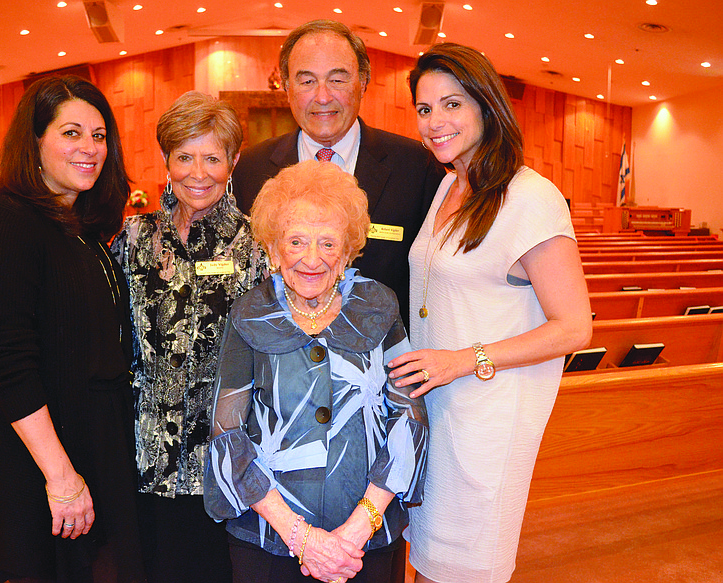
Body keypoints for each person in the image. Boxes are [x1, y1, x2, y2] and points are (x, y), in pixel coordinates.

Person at [387, 44, 593, 583]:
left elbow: (574, 326)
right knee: (429, 561)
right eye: (425, 109)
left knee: (469, 566)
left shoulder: (530, 197)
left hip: (488, 417)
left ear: (485, 104)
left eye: (451, 104)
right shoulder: (451, 183)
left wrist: (463, 359)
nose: (435, 123)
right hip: (438, 410)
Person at [0, 76, 145, 582]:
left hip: (78, 453)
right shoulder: (4, 224)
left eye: (99, 136)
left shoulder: (78, 227)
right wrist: (60, 477)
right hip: (26, 475)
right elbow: (7, 363)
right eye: (71, 132)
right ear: (34, 141)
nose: (89, 148)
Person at [204, 160, 429, 583]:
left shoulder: (377, 307)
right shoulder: (250, 314)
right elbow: (227, 435)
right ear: (272, 250)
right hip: (269, 538)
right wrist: (303, 538)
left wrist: (358, 528)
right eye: (296, 241)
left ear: (346, 253)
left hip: (365, 541)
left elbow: (409, 420)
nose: (312, 259)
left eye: (328, 244)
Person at [110, 91, 267, 583]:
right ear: (166, 160)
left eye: (212, 157)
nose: (198, 172)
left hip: (222, 464)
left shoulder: (257, 245)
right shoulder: (132, 239)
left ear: (233, 161)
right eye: (184, 156)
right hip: (143, 459)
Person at [231, 19, 443, 328]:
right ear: (287, 88)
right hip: (279, 361)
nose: (322, 97)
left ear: (363, 82)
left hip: (384, 361)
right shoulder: (252, 168)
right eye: (306, 81)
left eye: (338, 80)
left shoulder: (416, 166)